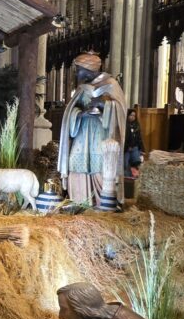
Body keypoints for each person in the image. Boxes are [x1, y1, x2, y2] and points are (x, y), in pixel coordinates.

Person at [57, 51, 126, 205]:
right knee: (74, 162)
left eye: (78, 70)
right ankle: (80, 201)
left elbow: (120, 110)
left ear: (88, 69)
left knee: (101, 164)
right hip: (81, 132)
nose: (77, 74)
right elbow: (71, 110)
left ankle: (103, 202)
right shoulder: (82, 88)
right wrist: (80, 114)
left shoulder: (111, 84)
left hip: (101, 132)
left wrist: (102, 104)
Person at [124, 109, 144, 174]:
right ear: (127, 115)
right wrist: (127, 147)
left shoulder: (136, 125)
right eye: (131, 115)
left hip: (135, 147)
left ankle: (134, 176)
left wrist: (141, 149)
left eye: (134, 116)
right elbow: (124, 138)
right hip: (126, 149)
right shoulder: (124, 125)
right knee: (125, 165)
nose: (132, 117)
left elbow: (139, 138)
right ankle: (127, 177)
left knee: (136, 163)